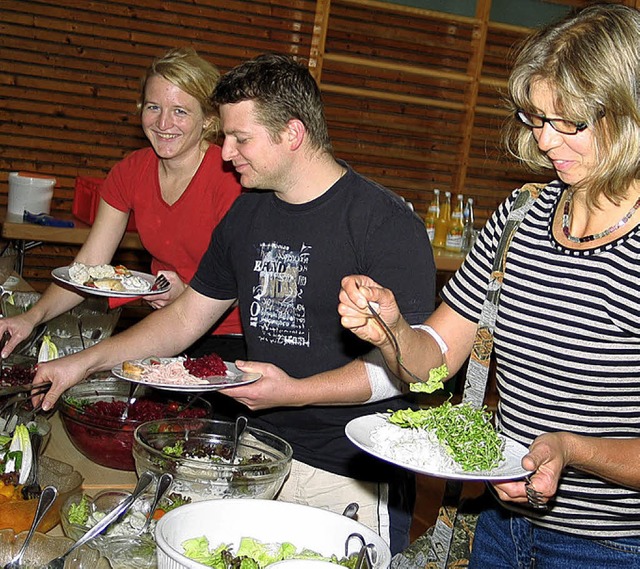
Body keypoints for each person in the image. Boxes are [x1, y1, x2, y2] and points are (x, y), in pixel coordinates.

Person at [32, 53, 436, 553]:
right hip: (258, 453)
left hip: (348, 470)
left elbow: (410, 366)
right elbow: (184, 319)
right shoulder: (248, 213)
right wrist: (82, 363)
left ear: (292, 133)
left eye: (240, 139)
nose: (224, 153)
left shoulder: (384, 221)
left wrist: (297, 391)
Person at [339, 4, 640, 568]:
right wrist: (390, 329)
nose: (548, 142)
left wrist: (570, 451)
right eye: (535, 118)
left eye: (570, 122)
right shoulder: (522, 214)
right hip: (498, 526)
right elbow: (431, 365)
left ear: (629, 113)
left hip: (614, 547)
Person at [0, 47, 244, 361]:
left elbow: (246, 283)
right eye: (154, 107)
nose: (163, 123)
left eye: (180, 111)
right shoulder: (129, 171)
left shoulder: (230, 178)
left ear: (208, 119)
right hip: (164, 329)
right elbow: (87, 266)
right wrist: (31, 318)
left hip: (231, 337)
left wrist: (186, 293)